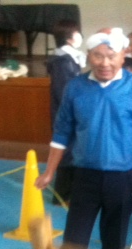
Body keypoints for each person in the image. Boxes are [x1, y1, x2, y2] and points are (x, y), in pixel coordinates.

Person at [35, 27, 132, 249]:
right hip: (85, 175)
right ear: (88, 56)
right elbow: (62, 132)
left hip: (123, 177)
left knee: (114, 242)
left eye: (111, 56)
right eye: (97, 56)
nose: (104, 63)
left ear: (123, 56)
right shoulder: (75, 87)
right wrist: (49, 171)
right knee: (74, 240)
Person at [46, 19, 86, 206]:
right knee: (66, 155)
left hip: (70, 112)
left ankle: (69, 193)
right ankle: (62, 196)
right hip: (66, 114)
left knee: (72, 153)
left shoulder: (70, 59)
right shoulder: (63, 62)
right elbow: (64, 93)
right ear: (69, 38)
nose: (80, 36)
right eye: (77, 33)